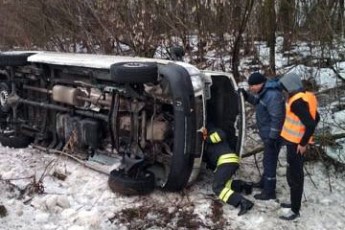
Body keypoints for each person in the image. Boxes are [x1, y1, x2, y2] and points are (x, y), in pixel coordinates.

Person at [278, 72, 320, 220]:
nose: (284, 90)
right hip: (294, 143)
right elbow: (317, 118)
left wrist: (303, 143)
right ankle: (293, 203)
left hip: (296, 145)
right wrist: (306, 139)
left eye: (285, 87)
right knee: (293, 174)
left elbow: (310, 123)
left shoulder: (296, 102)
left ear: (291, 86)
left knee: (295, 177)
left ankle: (295, 210)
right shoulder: (306, 96)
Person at [239, 72, 285, 200]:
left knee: (269, 162)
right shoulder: (265, 92)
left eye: (252, 86)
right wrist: (247, 96)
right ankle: (264, 183)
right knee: (267, 160)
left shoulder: (272, 95)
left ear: (261, 83)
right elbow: (257, 102)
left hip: (273, 136)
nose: (251, 88)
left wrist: (272, 137)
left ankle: (269, 192)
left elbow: (278, 117)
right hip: (268, 134)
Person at [204, 125, 254, 216]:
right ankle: (243, 185)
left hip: (226, 161)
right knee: (224, 184)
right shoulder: (207, 146)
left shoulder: (213, 130)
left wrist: (206, 138)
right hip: (229, 161)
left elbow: (222, 134)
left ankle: (242, 202)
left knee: (217, 187)